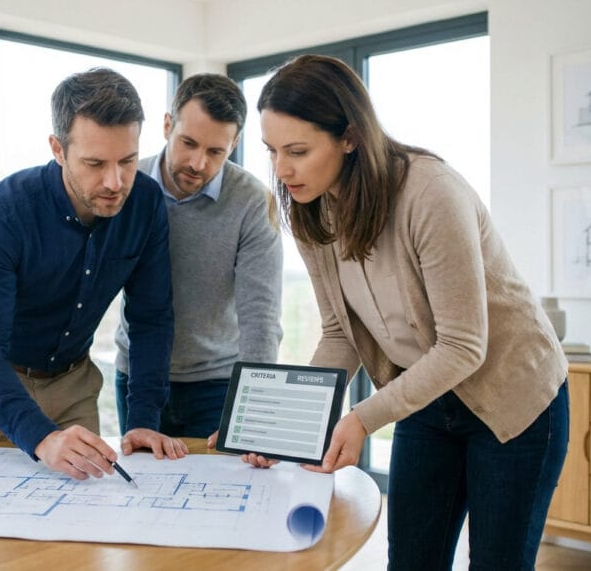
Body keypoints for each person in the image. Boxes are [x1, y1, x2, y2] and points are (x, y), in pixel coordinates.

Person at [243, 54, 568, 569]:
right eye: (273, 151)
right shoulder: (311, 204)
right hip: (425, 399)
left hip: (514, 401)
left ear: (349, 136)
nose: (282, 170)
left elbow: (463, 344)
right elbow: (340, 334)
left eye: (298, 151)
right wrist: (290, 426)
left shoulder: (429, 191)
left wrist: (361, 418)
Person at [0, 67, 188, 482]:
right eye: (94, 163)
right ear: (58, 149)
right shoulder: (3, 213)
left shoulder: (145, 204)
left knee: (81, 522)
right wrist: (41, 437)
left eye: (127, 160)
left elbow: (151, 319)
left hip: (72, 384)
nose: (115, 182)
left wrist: (144, 417)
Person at [114, 74, 283, 439]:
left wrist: (253, 411)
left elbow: (261, 317)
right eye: (188, 143)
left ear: (234, 143)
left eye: (215, 152)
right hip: (137, 375)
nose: (198, 163)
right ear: (166, 125)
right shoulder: (126, 182)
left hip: (217, 385)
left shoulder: (252, 201)